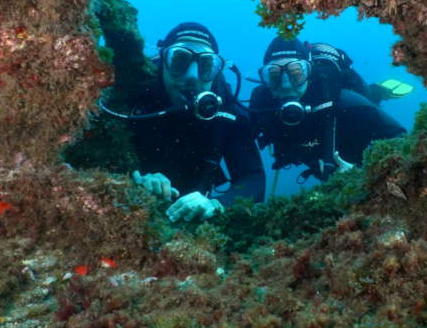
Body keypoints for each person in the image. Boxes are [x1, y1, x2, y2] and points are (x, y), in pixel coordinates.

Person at [101, 22, 265, 222]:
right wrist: (132, 180)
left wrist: (218, 204)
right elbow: (98, 153)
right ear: (163, 60)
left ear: (216, 71)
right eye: (179, 61)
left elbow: (253, 178)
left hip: (191, 216)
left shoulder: (228, 114)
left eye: (205, 66)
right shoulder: (133, 97)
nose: (192, 76)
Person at [249, 37, 407, 186]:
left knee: (369, 100)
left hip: (353, 142)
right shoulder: (261, 108)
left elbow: (401, 139)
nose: (285, 85)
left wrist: (367, 172)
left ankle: (379, 91)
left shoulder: (347, 102)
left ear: (310, 73)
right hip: (320, 159)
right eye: (274, 76)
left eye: (296, 74)